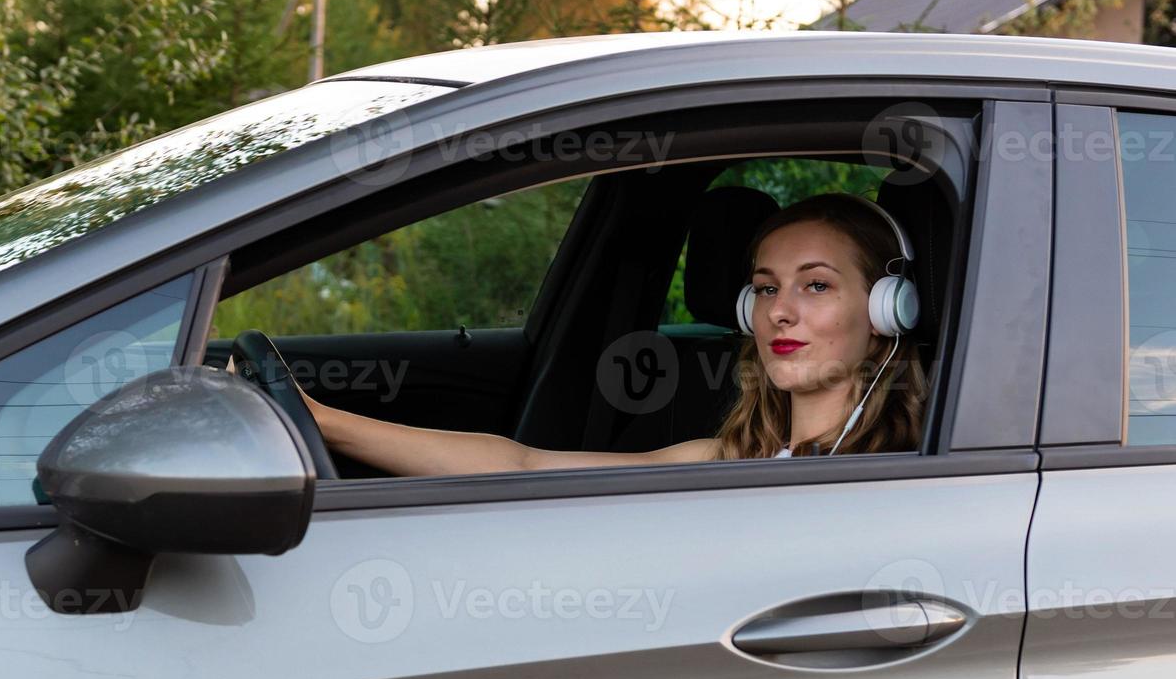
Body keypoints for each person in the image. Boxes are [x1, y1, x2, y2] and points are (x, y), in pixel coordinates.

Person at [253, 192, 927, 476]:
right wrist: (321, 421)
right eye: (767, 287)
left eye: (816, 285)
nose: (780, 311)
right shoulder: (725, 460)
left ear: (886, 310)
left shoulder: (924, 472)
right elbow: (524, 466)